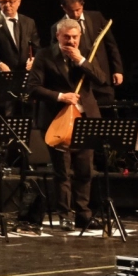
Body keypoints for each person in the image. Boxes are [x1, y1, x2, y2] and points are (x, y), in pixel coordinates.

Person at [29, 17, 106, 232]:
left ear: (80, 37)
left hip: (85, 119)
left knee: (85, 170)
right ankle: (65, 215)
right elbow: (33, 88)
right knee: (62, 171)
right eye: (66, 37)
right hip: (58, 119)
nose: (71, 41)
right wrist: (61, 96)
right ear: (58, 36)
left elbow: (101, 79)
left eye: (74, 37)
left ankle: (84, 214)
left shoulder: (87, 53)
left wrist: (81, 61)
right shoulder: (45, 55)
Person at [59, 0, 122, 106]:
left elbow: (111, 45)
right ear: (63, 8)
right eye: (71, 11)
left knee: (107, 111)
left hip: (102, 76)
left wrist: (118, 70)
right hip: (80, 81)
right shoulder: (58, 27)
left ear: (83, 4)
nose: (75, 14)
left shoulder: (96, 17)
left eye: (78, 10)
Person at [0, 0, 40, 111]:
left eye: (11, 1)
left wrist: (34, 59)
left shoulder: (29, 22)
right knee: (6, 115)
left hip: (25, 78)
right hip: (3, 79)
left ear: (19, 2)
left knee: (27, 115)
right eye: (3, 2)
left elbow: (37, 47)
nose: (7, 5)